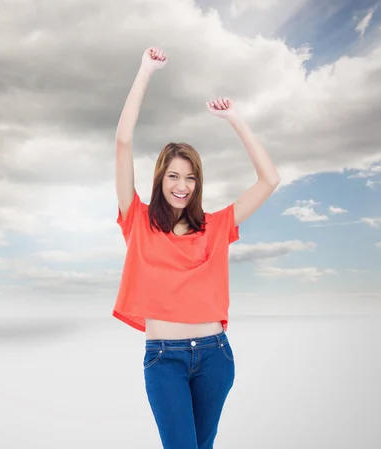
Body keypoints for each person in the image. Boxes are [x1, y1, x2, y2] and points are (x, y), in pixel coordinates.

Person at [113, 47, 281, 449]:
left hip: (215, 357)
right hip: (163, 360)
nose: (181, 186)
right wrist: (145, 71)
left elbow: (270, 180)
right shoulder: (137, 220)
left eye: (189, 177)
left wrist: (235, 119)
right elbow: (122, 141)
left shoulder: (217, 225)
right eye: (173, 176)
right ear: (161, 178)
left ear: (197, 182)